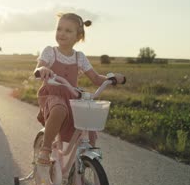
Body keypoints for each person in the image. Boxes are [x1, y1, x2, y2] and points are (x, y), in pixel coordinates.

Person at [34, 13, 125, 167]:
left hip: (72, 97)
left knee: (88, 127)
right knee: (59, 110)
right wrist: (43, 68)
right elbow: (38, 67)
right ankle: (46, 148)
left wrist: (111, 78)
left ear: (79, 36)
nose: (62, 33)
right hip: (52, 95)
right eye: (59, 29)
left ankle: (82, 168)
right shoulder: (50, 51)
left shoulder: (79, 57)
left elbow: (95, 78)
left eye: (68, 31)